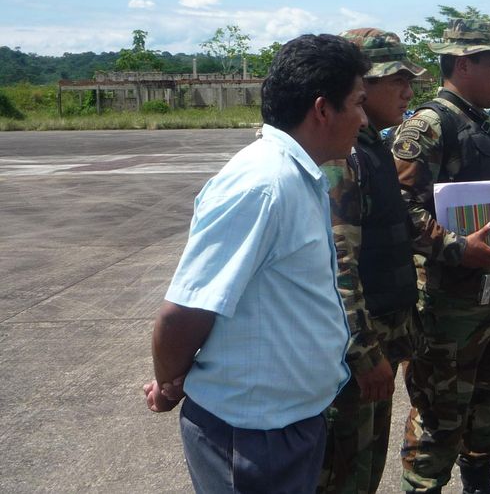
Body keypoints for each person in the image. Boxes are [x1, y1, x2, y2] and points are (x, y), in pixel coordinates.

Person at [143, 34, 369, 493]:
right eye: (359, 103)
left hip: (284, 423)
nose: (365, 119)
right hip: (251, 435)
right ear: (323, 110)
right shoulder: (262, 186)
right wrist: (169, 382)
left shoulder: (299, 176)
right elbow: (185, 311)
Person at [392, 18, 490, 494]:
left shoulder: (486, 126)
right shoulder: (429, 125)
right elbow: (396, 206)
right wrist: (453, 246)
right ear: (464, 64)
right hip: (446, 309)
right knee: (439, 419)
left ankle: (479, 483)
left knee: (489, 411)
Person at [318, 28, 427, 494]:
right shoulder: (346, 157)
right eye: (394, 80)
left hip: (377, 343)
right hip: (354, 360)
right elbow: (339, 263)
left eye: (409, 79)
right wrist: (364, 355)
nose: (407, 91)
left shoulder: (373, 146)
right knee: (346, 475)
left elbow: (398, 225)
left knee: (364, 471)